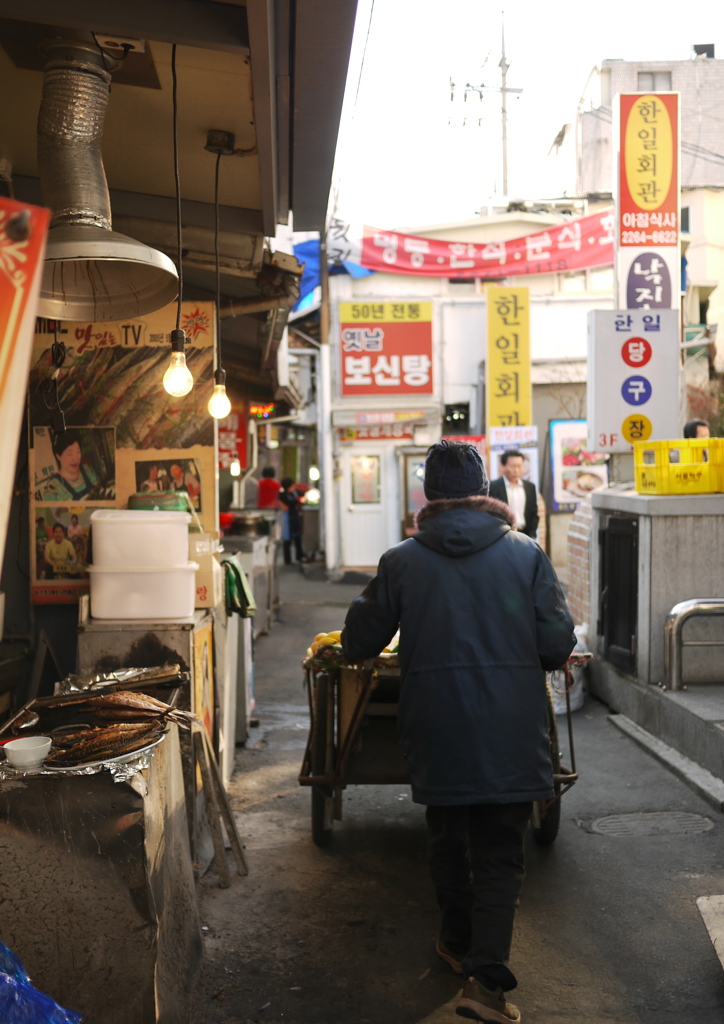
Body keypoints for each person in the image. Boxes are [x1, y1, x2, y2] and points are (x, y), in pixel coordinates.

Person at [342, 439, 575, 1024]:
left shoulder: (401, 560)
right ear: (484, 492)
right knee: (500, 852)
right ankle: (486, 984)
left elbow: (359, 643)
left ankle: (455, 942)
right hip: (512, 726)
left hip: (436, 724)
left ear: (428, 495)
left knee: (448, 836)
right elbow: (556, 643)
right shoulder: (526, 554)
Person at [488, 449, 539, 539]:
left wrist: (532, 534)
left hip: (525, 535)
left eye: (519, 466)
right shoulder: (493, 487)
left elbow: (533, 513)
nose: (516, 470)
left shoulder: (530, 487)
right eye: (512, 466)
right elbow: (490, 514)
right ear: (503, 466)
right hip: (502, 536)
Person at [40, 429, 99, 502]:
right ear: (58, 456)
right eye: (70, 454)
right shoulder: (52, 488)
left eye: (78, 452)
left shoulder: (87, 470)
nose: (75, 459)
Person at [278, 477, 304, 564]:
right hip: (287, 518)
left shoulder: (295, 492)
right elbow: (289, 504)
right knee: (287, 539)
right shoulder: (282, 495)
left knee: (297, 537)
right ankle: (287, 560)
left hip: (295, 516)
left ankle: (299, 556)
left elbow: (301, 496)